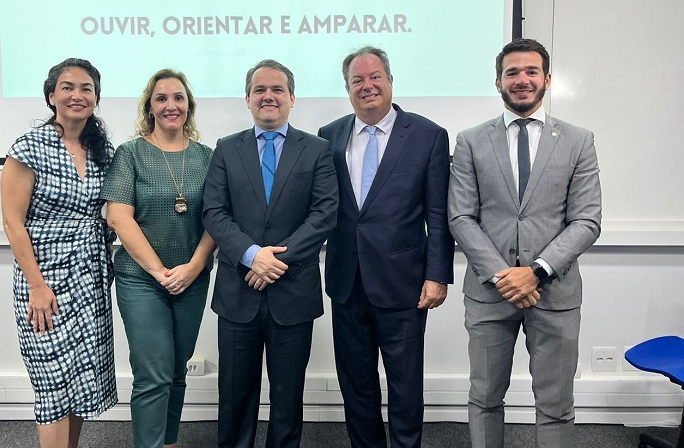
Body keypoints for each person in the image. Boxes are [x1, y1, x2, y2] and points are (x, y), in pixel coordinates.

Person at [448, 38, 602, 448]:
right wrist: (505, 276)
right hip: (489, 292)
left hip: (554, 294)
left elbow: (587, 219)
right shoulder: (470, 140)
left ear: (547, 79)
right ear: (498, 82)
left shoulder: (578, 140)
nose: (522, 80)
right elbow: (461, 216)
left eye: (531, 71)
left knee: (556, 405)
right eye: (512, 72)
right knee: (484, 399)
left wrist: (535, 272)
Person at [317, 46, 455, 447]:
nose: (367, 86)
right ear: (347, 88)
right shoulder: (329, 136)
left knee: (405, 384)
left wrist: (437, 275)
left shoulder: (428, 135)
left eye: (375, 77)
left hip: (404, 284)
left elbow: (438, 214)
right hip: (346, 281)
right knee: (355, 382)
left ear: (390, 81)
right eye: (357, 80)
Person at [202, 59, 339, 448]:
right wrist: (251, 255)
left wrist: (273, 260)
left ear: (292, 98)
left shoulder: (316, 149)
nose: (268, 96)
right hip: (237, 292)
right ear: (247, 99)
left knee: (287, 399)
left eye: (277, 89)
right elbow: (214, 212)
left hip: (292, 291)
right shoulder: (226, 149)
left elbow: (325, 213)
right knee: (234, 397)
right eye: (259, 89)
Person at [1, 58, 117, 448]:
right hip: (43, 280)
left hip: (90, 279)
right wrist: (37, 285)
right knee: (51, 381)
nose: (77, 95)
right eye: (67, 87)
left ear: (96, 98)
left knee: (81, 379)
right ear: (51, 96)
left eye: (86, 88)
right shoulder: (29, 147)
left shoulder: (102, 149)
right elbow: (13, 223)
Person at [100, 69, 216, 448]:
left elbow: (218, 218)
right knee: (153, 374)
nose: (171, 105)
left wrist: (193, 268)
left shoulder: (207, 157)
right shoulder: (130, 154)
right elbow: (118, 217)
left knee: (177, 370)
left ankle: (168, 442)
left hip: (192, 278)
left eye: (178, 97)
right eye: (161, 98)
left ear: (189, 106)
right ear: (150, 107)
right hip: (141, 280)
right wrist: (161, 272)